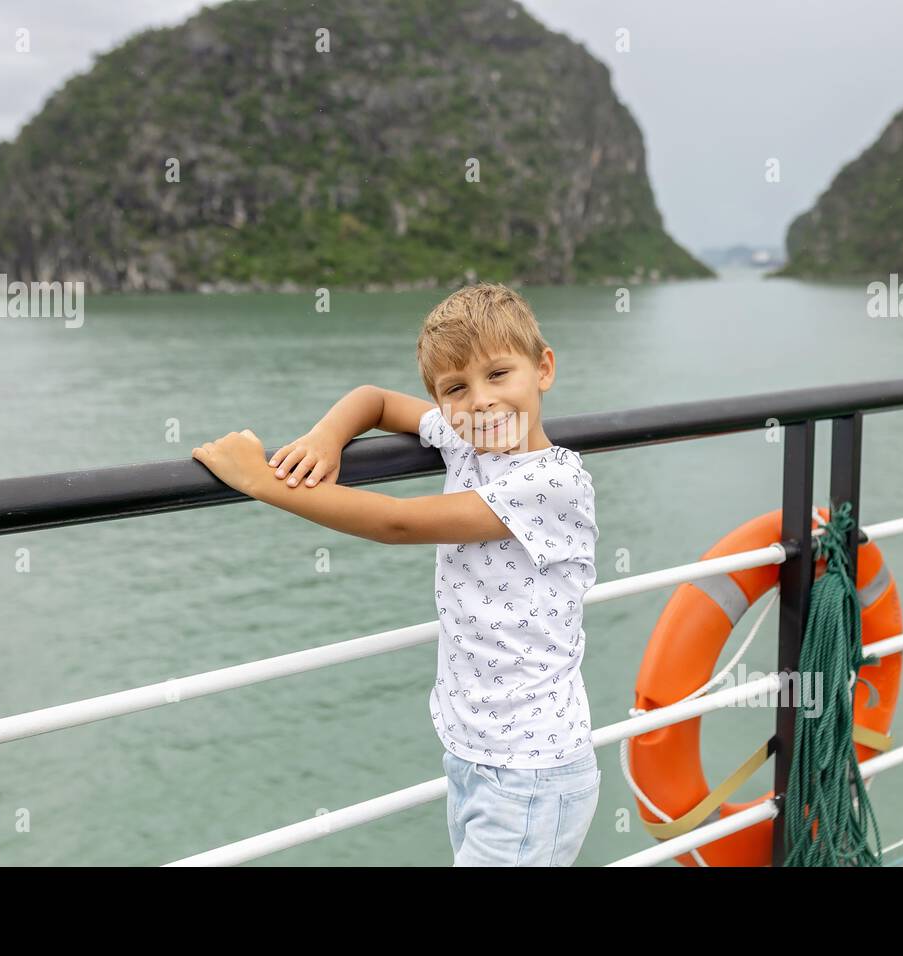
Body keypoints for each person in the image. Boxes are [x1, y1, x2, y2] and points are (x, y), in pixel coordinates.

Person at [192, 282, 601, 865]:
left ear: (544, 368)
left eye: (498, 375)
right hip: (474, 754)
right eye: (455, 388)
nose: (481, 402)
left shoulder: (551, 484)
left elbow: (398, 523)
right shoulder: (468, 445)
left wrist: (262, 483)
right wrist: (325, 437)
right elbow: (375, 400)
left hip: (532, 771)